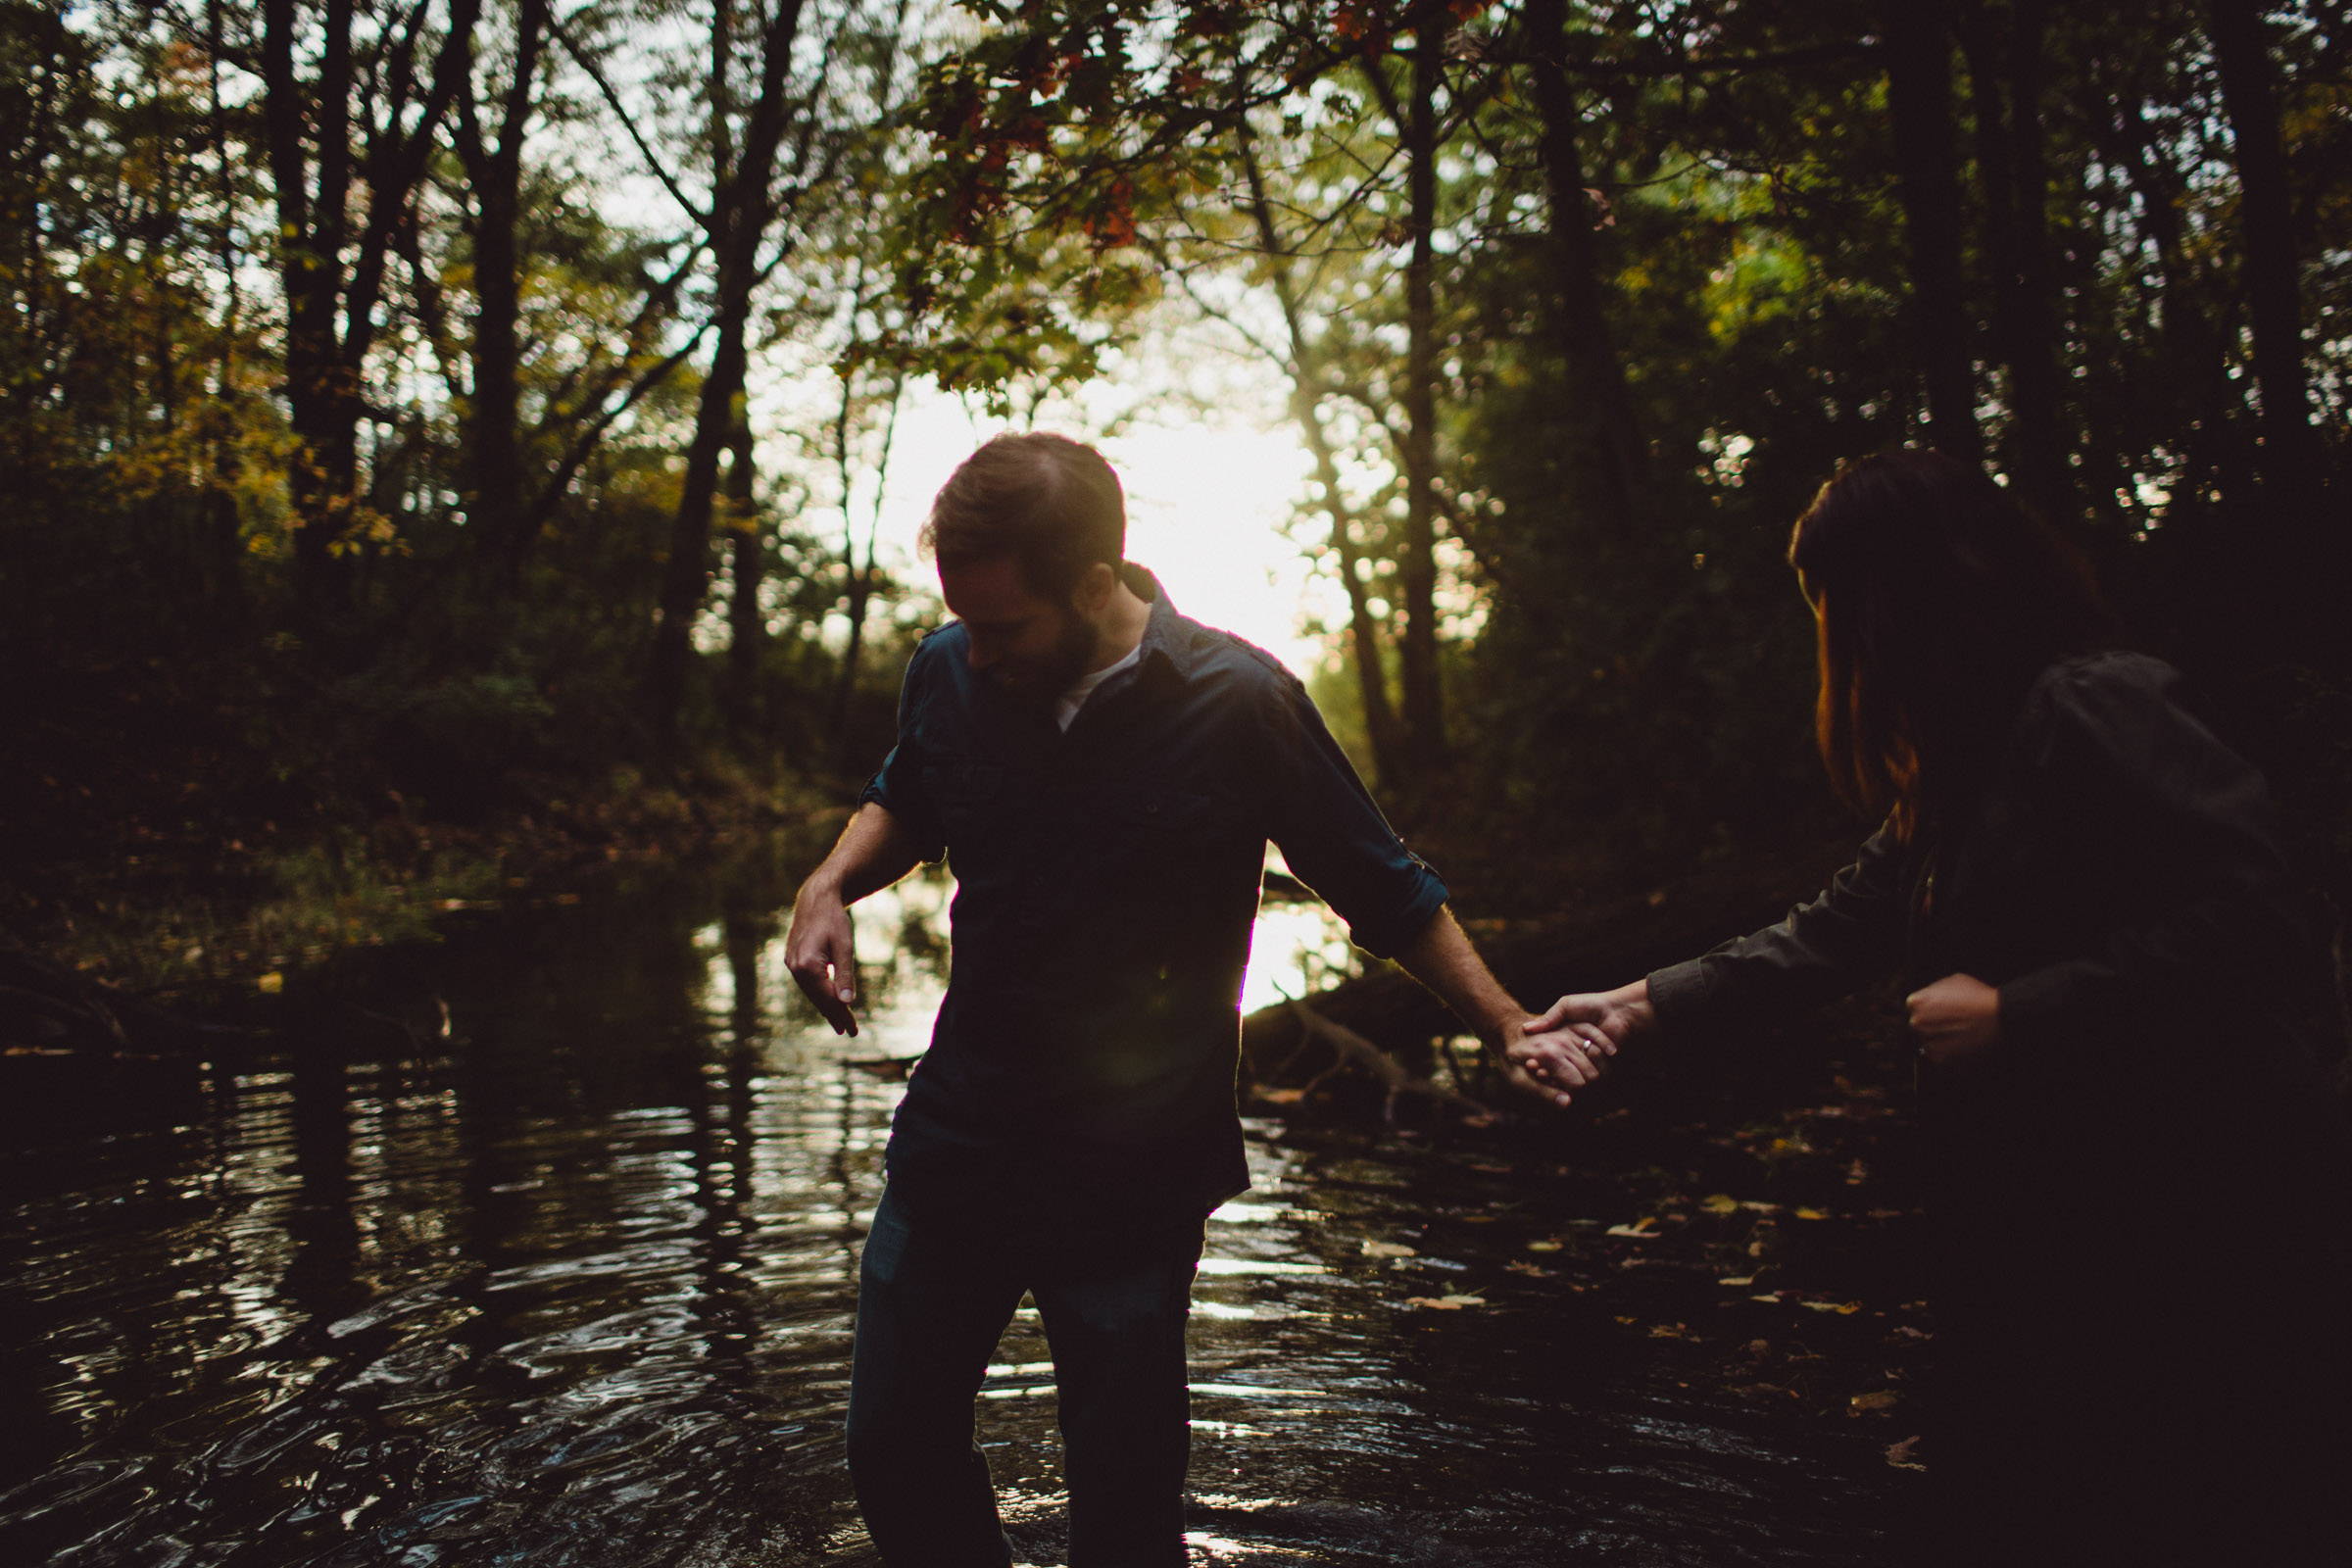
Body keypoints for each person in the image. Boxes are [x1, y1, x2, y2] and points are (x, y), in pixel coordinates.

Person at [1514, 449, 2352, 1565]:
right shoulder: (1963, 763)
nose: (1840, 645)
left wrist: (2021, 1009)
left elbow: (2259, 922)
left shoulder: (2095, 700)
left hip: (2200, 1228)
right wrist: (1636, 1006)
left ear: (1903, 595)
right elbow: (1829, 929)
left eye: (1837, 608)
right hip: (2065, 1235)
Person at [786, 432, 1607, 1567]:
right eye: (962, 624)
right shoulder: (949, 668)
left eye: (1001, 628)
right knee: (892, 1447)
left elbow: (1387, 888)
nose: (973, 656)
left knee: (1123, 1516)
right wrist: (828, 883)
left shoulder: (1242, 703)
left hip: (1134, 1176)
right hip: (959, 1140)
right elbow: (907, 797)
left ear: (1093, 586)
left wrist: (1506, 1020)